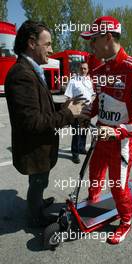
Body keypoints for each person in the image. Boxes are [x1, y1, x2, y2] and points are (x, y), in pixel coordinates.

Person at [80, 16, 132, 244]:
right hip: (100, 138)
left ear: (107, 37)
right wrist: (88, 112)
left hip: (120, 143)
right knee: (94, 176)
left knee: (117, 187)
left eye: (93, 40)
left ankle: (125, 221)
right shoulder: (99, 69)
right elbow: (100, 100)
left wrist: (119, 131)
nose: (90, 45)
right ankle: (92, 204)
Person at [5, 20, 86, 227]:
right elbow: (33, 122)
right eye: (48, 44)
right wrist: (68, 114)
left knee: (39, 181)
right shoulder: (21, 74)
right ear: (32, 43)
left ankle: (38, 202)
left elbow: (42, 109)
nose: (51, 49)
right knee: (38, 181)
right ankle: (35, 216)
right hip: (35, 149)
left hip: (40, 148)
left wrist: (64, 107)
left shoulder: (30, 69)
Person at [64, 62, 95, 164]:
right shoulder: (73, 81)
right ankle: (75, 153)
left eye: (85, 68)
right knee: (76, 133)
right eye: (81, 68)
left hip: (87, 110)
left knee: (84, 131)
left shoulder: (89, 81)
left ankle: (81, 148)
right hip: (77, 110)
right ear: (78, 69)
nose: (83, 70)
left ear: (88, 69)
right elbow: (68, 96)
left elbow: (92, 94)